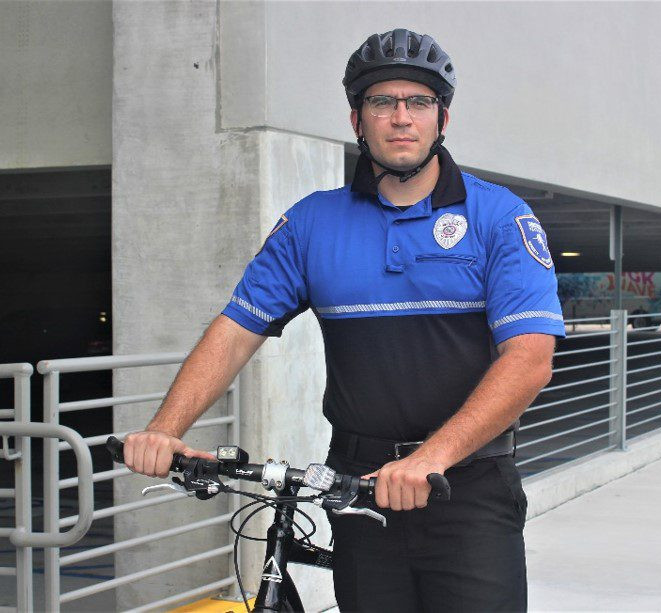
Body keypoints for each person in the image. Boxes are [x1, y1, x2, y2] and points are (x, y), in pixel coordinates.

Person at [124, 28, 565, 612]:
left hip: (468, 487)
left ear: (442, 118)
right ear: (358, 119)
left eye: (419, 102)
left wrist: (429, 458)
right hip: (356, 487)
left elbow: (530, 358)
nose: (401, 117)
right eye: (383, 102)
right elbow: (234, 332)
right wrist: (166, 427)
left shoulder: (500, 218)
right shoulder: (312, 224)